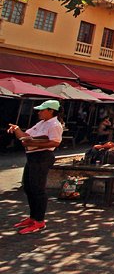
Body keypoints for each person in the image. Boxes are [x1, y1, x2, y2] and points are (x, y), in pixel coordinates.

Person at [7, 100, 64, 234]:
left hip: (42, 157)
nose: (39, 112)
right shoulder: (42, 123)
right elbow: (25, 136)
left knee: (38, 189)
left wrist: (34, 144)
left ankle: (39, 220)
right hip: (33, 156)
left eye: (42, 110)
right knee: (29, 186)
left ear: (51, 111)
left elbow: (55, 142)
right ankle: (33, 217)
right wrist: (17, 129)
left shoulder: (55, 124)